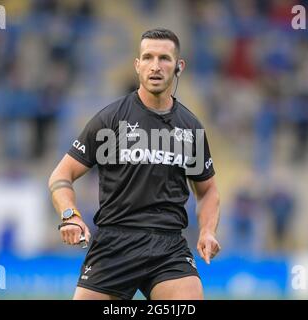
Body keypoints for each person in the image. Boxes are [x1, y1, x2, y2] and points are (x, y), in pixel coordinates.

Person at [48, 28, 221, 300]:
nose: (155, 66)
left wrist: (208, 231)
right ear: (137, 65)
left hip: (168, 247)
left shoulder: (190, 129)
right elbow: (61, 175)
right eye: (148, 57)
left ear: (179, 66)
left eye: (164, 58)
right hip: (114, 244)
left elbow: (208, 190)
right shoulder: (109, 121)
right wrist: (71, 216)